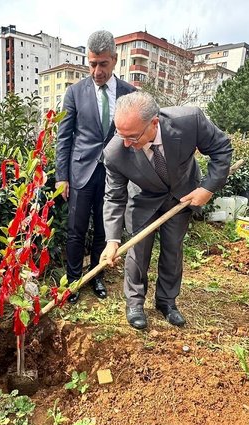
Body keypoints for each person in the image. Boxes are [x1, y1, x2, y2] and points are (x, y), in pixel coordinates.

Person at [100, 91, 233, 329]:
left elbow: (221, 149)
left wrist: (208, 189)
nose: (127, 143)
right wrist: (112, 239)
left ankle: (167, 301)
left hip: (182, 195)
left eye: (132, 136)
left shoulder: (189, 121)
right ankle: (135, 303)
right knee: (137, 253)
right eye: (121, 135)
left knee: (173, 249)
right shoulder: (115, 152)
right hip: (143, 198)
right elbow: (114, 196)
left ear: (154, 123)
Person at [55, 30, 136, 303]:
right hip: (81, 173)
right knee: (76, 230)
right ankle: (74, 280)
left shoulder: (129, 93)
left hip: (114, 174)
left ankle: (97, 276)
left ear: (114, 59)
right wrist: (61, 177)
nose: (97, 71)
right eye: (92, 64)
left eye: (102, 64)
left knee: (105, 229)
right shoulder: (75, 93)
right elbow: (64, 137)